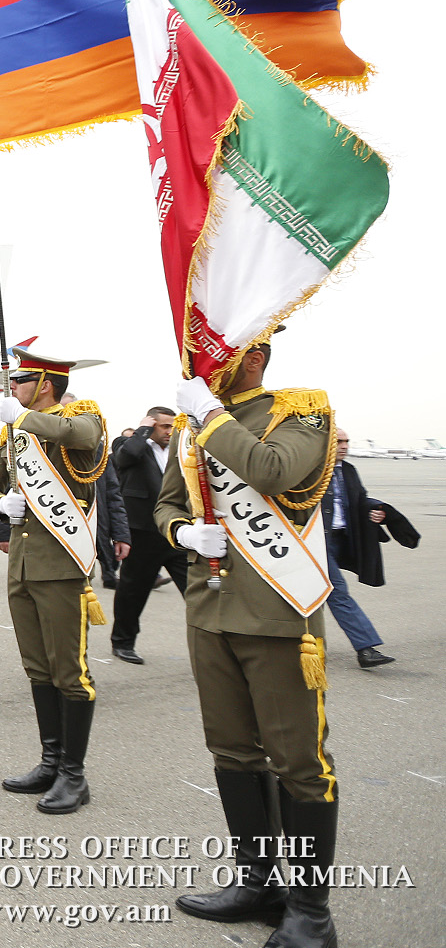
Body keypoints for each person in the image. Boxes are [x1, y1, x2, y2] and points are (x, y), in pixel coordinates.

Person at [157, 340, 342, 946]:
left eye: (217, 350)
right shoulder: (192, 425)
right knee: (233, 753)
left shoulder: (300, 410)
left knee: (300, 764)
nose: (200, 361)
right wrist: (184, 530)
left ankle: (310, 913)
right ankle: (257, 881)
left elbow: (271, 471)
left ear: (255, 355)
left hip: (278, 614)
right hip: (210, 612)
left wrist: (209, 416)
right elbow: (165, 504)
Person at [0, 350, 107, 815]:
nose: (11, 388)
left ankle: (74, 774)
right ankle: (50, 761)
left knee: (70, 671)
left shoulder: (79, 413)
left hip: (62, 565)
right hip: (24, 567)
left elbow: (84, 437)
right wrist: (0, 507)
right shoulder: (11, 430)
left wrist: (27, 419)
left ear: (46, 383)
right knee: (38, 669)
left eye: (20, 380)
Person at [108, 407, 188, 664]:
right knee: (132, 592)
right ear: (151, 425)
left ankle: (215, 645)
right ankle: (123, 643)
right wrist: (142, 429)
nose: (170, 431)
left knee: (197, 591)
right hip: (142, 533)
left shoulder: (180, 449)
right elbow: (124, 457)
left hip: (176, 532)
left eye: (172, 426)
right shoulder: (132, 445)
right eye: (164, 426)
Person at [322, 428, 396, 668]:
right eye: (338, 441)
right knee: (338, 592)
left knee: (318, 595)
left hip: (339, 539)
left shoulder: (349, 471)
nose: (344, 446)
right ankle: (366, 649)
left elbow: (360, 498)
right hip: (315, 543)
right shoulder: (313, 470)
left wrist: (375, 508)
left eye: (346, 441)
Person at [92, 462, 131, 591]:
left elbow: (113, 497)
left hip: (98, 524)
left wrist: (121, 536)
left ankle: (109, 574)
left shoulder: (100, 454)